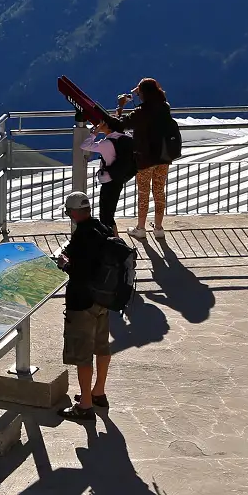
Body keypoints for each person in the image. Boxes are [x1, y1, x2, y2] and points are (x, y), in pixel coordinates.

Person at [53, 191, 112, 420]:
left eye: (68, 211)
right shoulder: (102, 228)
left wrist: (65, 264)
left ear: (75, 212)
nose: (68, 215)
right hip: (103, 300)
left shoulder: (81, 237)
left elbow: (80, 271)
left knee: (83, 355)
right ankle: (98, 392)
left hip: (82, 303)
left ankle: (85, 405)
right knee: (102, 346)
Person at [116, 77, 175, 239]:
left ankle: (141, 228)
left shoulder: (140, 112)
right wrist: (140, 91)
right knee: (159, 191)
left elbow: (120, 124)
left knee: (143, 192)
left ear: (143, 93)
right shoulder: (165, 107)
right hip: (163, 156)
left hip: (145, 158)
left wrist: (121, 106)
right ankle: (159, 228)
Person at [82, 118, 136, 232]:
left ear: (109, 128)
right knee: (109, 214)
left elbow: (85, 145)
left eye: (104, 125)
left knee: (105, 215)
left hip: (108, 180)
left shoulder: (106, 143)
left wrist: (95, 132)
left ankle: (111, 241)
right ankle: (115, 239)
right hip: (119, 178)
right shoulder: (125, 138)